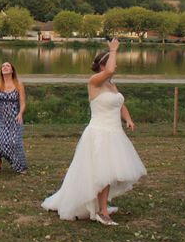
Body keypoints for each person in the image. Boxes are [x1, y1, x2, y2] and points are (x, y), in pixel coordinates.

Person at [41, 38, 147, 225]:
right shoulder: (94, 82)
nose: (116, 66)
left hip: (114, 133)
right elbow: (111, 70)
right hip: (99, 133)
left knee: (108, 172)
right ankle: (102, 211)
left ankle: (101, 206)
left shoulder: (112, 85)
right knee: (102, 172)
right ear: (103, 65)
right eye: (113, 61)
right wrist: (113, 50)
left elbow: (120, 104)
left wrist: (128, 119)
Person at [0, 62, 27, 174]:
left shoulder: (18, 84)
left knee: (14, 142)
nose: (5, 67)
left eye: (7, 66)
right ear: (1, 71)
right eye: (3, 66)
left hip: (14, 119)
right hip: (0, 119)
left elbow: (23, 103)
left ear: (12, 70)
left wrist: (20, 113)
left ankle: (19, 164)